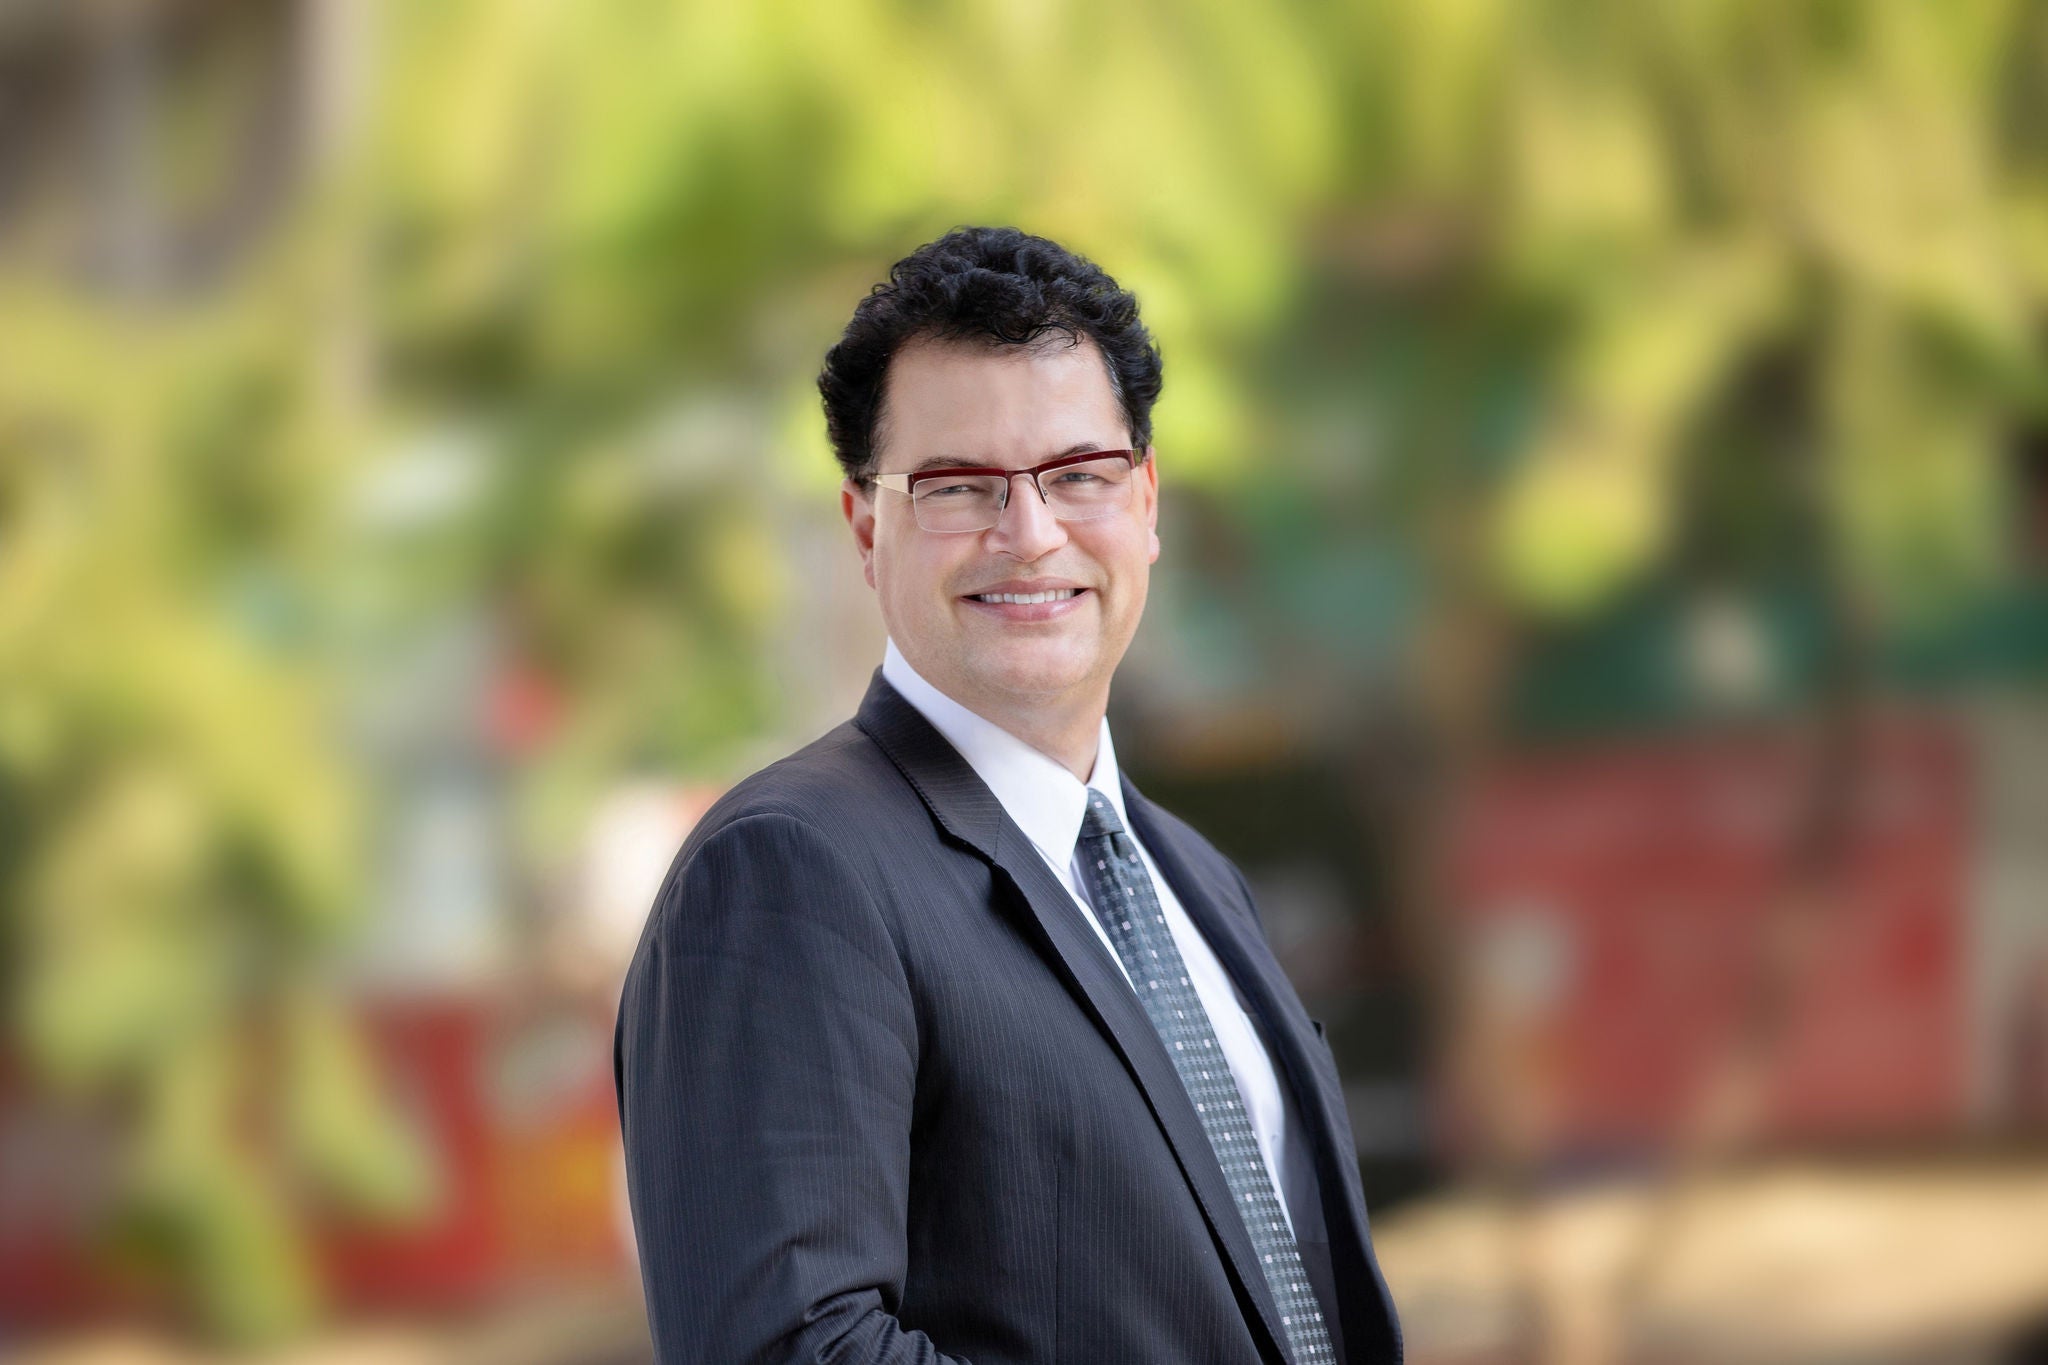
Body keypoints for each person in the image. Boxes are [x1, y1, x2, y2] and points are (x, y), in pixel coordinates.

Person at [614, 226, 1402, 1364]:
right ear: (866, 529)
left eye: (1078, 475)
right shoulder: (788, 872)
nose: (1030, 536)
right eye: (958, 488)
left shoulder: (1194, 880)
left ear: (1146, 504)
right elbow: (794, 1347)